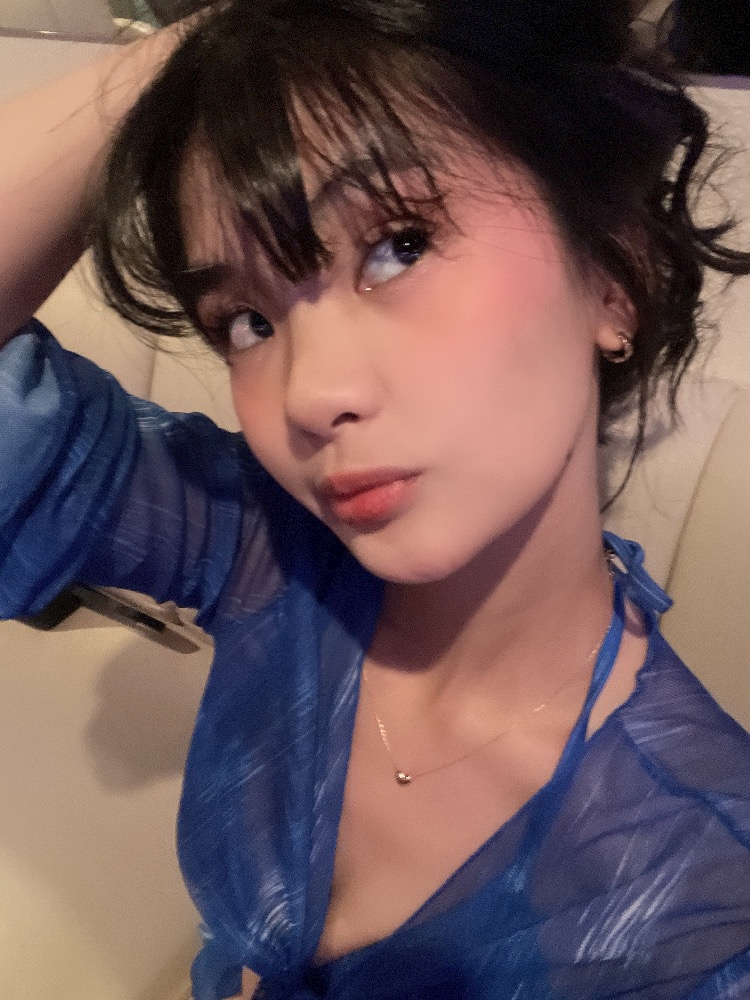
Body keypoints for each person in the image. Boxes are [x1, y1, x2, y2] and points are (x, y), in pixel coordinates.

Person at [2, 2, 750, 998]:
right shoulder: (271, 555)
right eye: (248, 320)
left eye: (398, 245)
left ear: (615, 275)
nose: (310, 393)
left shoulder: (702, 902)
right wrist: (219, 35)